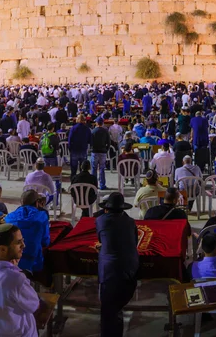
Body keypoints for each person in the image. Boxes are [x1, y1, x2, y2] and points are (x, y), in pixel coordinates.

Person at [0, 224, 41, 337]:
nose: (23, 245)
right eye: (18, 242)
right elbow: (34, 305)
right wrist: (16, 271)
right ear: (2, 249)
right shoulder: (14, 279)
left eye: (22, 241)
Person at [95, 192, 139, 337]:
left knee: (108, 311)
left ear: (106, 209)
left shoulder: (101, 221)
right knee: (116, 307)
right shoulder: (130, 221)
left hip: (110, 272)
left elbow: (102, 237)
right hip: (130, 269)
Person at [5, 190, 50, 272]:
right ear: (37, 203)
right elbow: (46, 242)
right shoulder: (42, 216)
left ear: (21, 203)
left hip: (12, 260)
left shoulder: (9, 217)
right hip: (34, 262)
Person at [91, 117, 110, 190]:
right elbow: (108, 142)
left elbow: (91, 142)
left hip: (95, 151)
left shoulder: (93, 131)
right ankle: (102, 185)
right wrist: (106, 149)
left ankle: (94, 185)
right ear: (103, 123)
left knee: (94, 169)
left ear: (96, 123)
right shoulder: (105, 131)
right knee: (102, 169)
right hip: (102, 152)